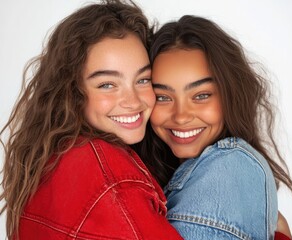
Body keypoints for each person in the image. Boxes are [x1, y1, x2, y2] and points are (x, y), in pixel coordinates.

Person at [0, 1, 183, 239]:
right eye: (107, 84)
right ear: (72, 91)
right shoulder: (113, 181)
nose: (133, 100)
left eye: (143, 80)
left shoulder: (52, 157)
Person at [135, 15, 292, 239]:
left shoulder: (230, 167)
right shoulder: (162, 171)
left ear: (230, 95)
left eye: (201, 95)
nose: (181, 116)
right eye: (163, 97)